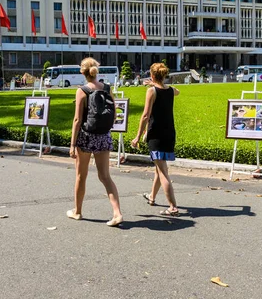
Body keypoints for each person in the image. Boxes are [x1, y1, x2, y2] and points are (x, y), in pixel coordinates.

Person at [68, 57, 123, 226]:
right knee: (105, 176)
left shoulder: (82, 91)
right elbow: (114, 113)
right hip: (103, 136)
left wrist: (72, 144)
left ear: (82, 72)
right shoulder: (107, 88)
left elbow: (77, 119)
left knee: (80, 176)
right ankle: (117, 213)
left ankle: (77, 211)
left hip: (85, 136)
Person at [131, 63, 180, 216]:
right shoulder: (171, 90)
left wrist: (137, 136)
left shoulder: (151, 91)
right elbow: (177, 91)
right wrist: (157, 82)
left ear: (152, 76)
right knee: (159, 168)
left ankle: (172, 207)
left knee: (163, 171)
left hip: (156, 134)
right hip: (169, 133)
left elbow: (145, 115)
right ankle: (152, 197)